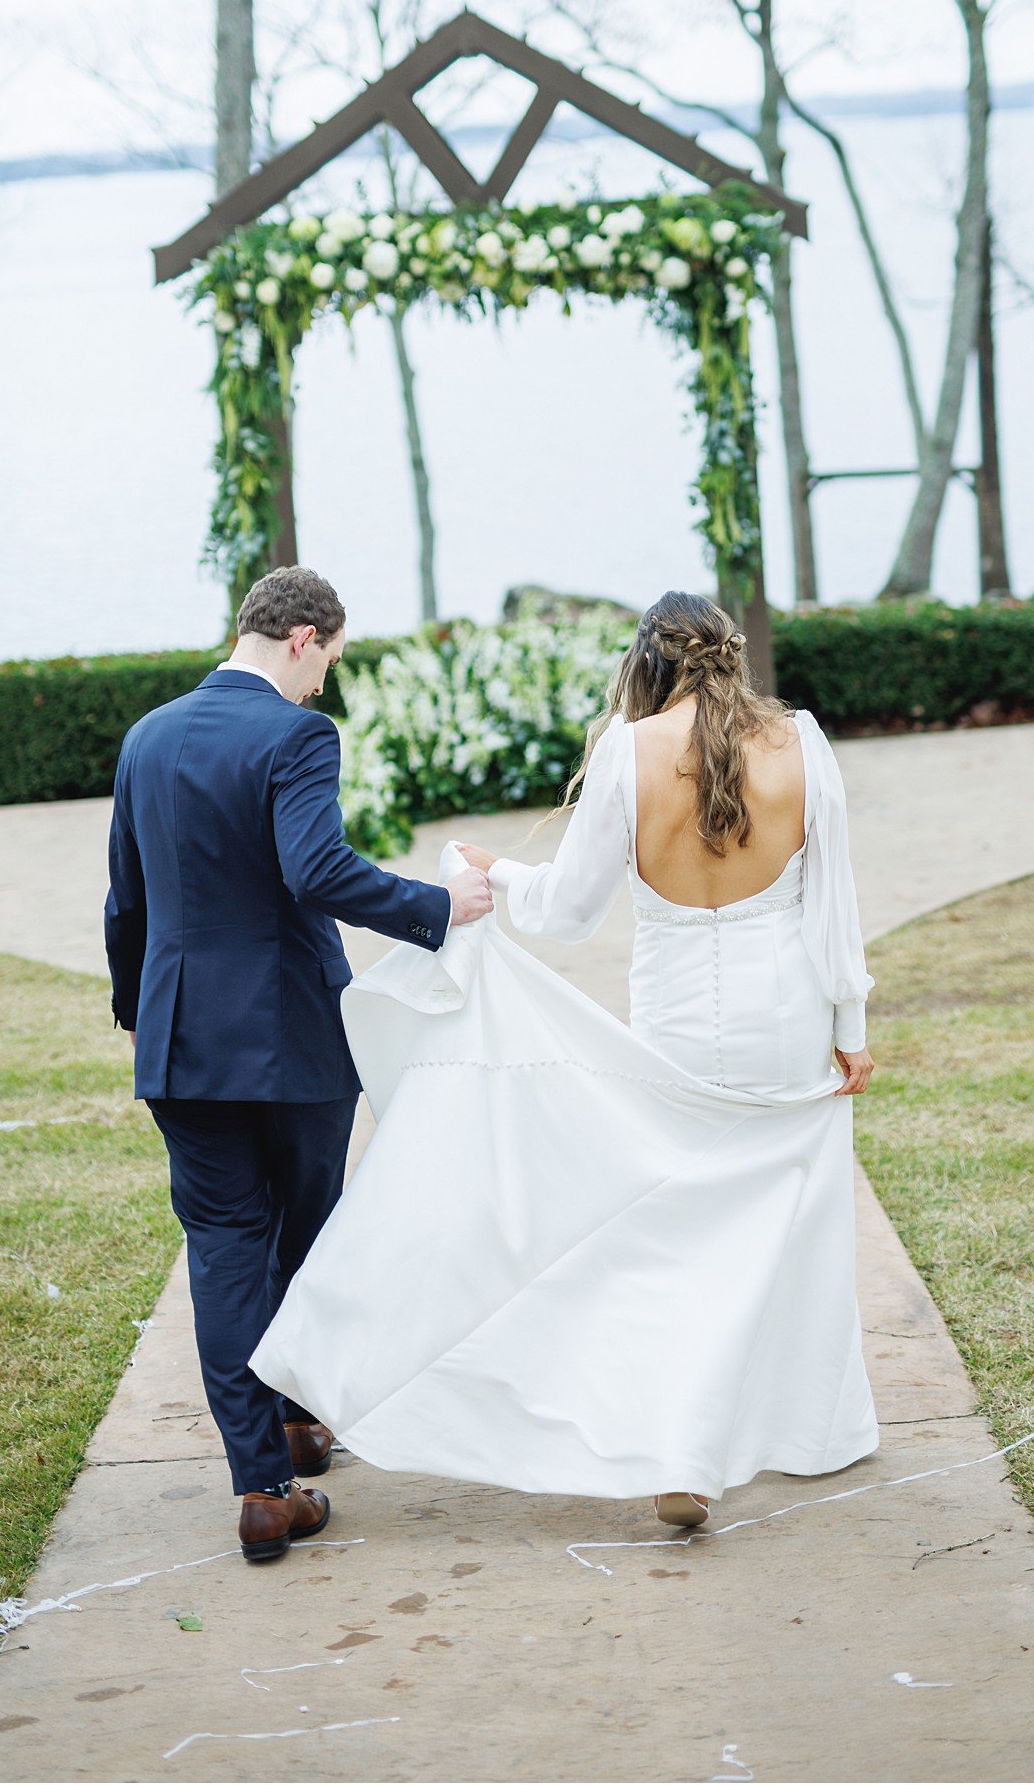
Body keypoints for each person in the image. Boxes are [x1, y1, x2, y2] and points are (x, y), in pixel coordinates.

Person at [251, 590, 878, 1531]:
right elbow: (834, 895)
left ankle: (684, 1451)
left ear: (648, 662)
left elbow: (568, 912)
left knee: (676, 1233)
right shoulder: (801, 742)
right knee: (783, 1220)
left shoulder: (627, 752)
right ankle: (792, 1424)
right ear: (730, 656)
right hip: (784, 1012)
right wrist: (851, 1021)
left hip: (674, 1020)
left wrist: (496, 870)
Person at [103, 564, 493, 1564]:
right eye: (328, 664)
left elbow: (126, 907)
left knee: (227, 1248)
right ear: (303, 638)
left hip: (181, 1044)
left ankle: (267, 1478)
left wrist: (139, 1017)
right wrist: (434, 910)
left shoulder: (146, 739)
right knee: (307, 1239)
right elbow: (315, 870)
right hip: (290, 1043)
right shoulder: (294, 735)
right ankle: (294, 1426)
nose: (324, 687)